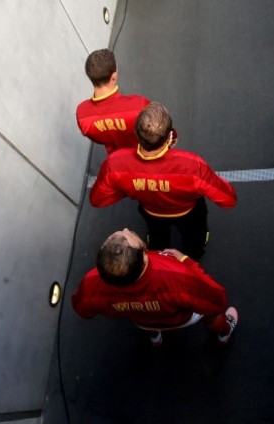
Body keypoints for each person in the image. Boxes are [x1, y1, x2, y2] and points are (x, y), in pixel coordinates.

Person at [89, 102, 237, 260]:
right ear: (169, 136)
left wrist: (129, 188)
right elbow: (228, 199)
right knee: (195, 240)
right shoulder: (192, 166)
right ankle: (193, 256)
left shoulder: (115, 163)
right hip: (189, 213)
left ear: (136, 134)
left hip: (152, 213)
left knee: (156, 239)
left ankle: (157, 256)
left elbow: (97, 199)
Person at [71, 228, 239, 347]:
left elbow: (83, 310)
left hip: (142, 320)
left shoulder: (90, 283)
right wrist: (185, 261)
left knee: (147, 323)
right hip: (182, 318)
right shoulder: (178, 276)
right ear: (144, 258)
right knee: (211, 315)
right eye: (127, 234)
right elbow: (217, 300)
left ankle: (155, 337)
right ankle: (224, 333)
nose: (126, 228)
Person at [76, 48, 177, 155]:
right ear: (113, 77)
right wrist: (171, 138)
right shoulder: (138, 105)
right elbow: (161, 131)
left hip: (118, 161)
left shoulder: (83, 116)